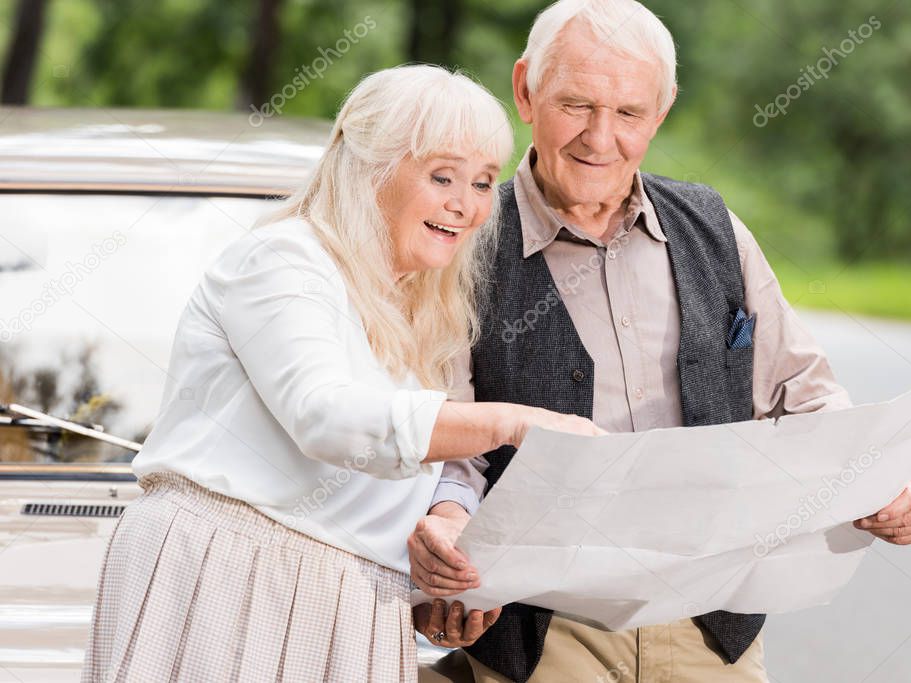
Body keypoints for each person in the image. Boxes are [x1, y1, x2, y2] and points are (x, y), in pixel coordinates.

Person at [411, 2, 911, 681]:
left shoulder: (712, 226)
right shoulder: (466, 242)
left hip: (713, 622)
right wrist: (445, 531)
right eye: (576, 104)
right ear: (524, 91)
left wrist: (883, 480)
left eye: (629, 113)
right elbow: (444, 445)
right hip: (544, 632)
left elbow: (803, 396)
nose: (599, 138)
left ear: (660, 112)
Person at [81, 64, 602, 683]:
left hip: (353, 603)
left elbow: (421, 469)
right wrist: (513, 422)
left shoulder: (429, 310)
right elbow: (324, 415)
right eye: (442, 177)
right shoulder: (285, 259)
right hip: (228, 574)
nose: (466, 205)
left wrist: (440, 556)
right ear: (369, 168)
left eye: (484, 182)